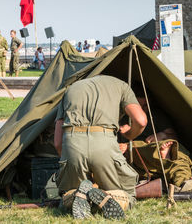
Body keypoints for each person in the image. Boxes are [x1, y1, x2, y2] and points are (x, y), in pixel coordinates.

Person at [54, 75, 147, 219]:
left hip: (73, 142)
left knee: (69, 191)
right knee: (128, 194)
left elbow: (58, 143)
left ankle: (77, 196)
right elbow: (141, 121)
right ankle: (109, 198)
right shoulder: (122, 86)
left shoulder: (71, 89)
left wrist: (69, 160)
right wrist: (129, 134)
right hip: (104, 142)